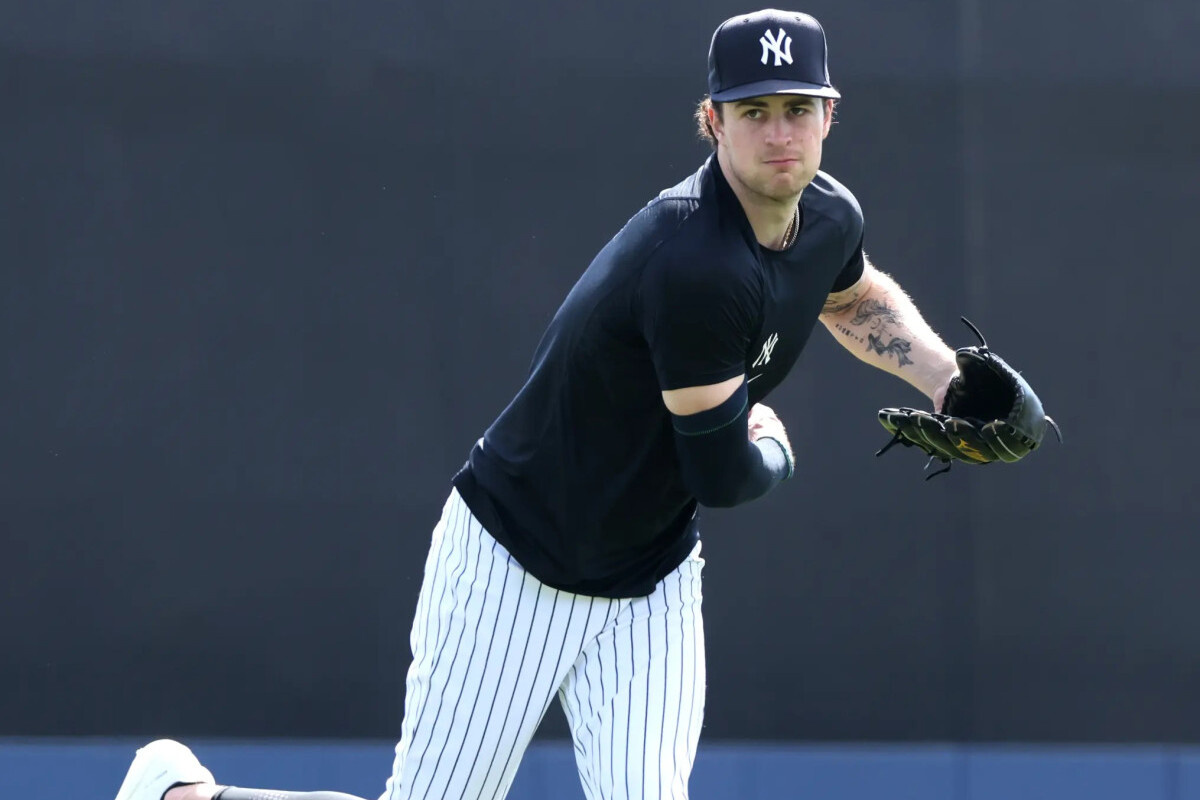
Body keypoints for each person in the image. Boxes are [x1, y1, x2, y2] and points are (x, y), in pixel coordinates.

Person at [114, 9, 962, 800]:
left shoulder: (827, 215)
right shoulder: (696, 260)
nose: (780, 132)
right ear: (713, 122)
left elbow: (850, 297)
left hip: (648, 582)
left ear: (829, 112)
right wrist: (774, 444)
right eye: (754, 111)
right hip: (516, 561)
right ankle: (186, 794)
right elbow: (725, 472)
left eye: (797, 107)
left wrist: (948, 380)